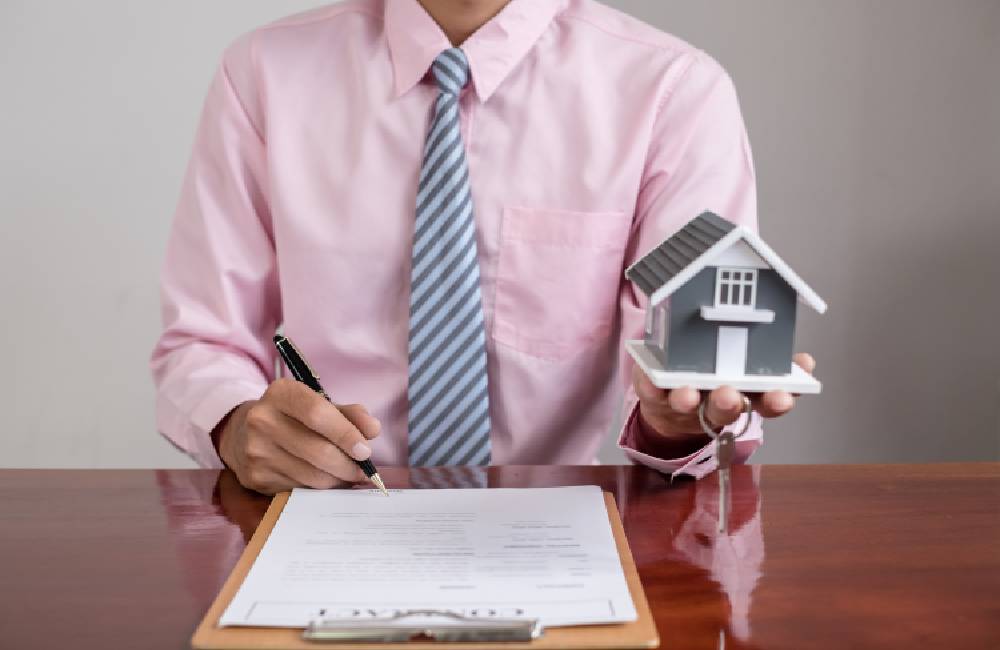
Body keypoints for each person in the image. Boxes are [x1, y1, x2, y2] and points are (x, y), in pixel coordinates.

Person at [151, 0, 815, 495]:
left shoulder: (672, 91)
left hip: (557, 537)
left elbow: (688, 370)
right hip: (321, 519)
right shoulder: (262, 74)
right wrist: (237, 423)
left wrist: (677, 421)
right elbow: (202, 343)